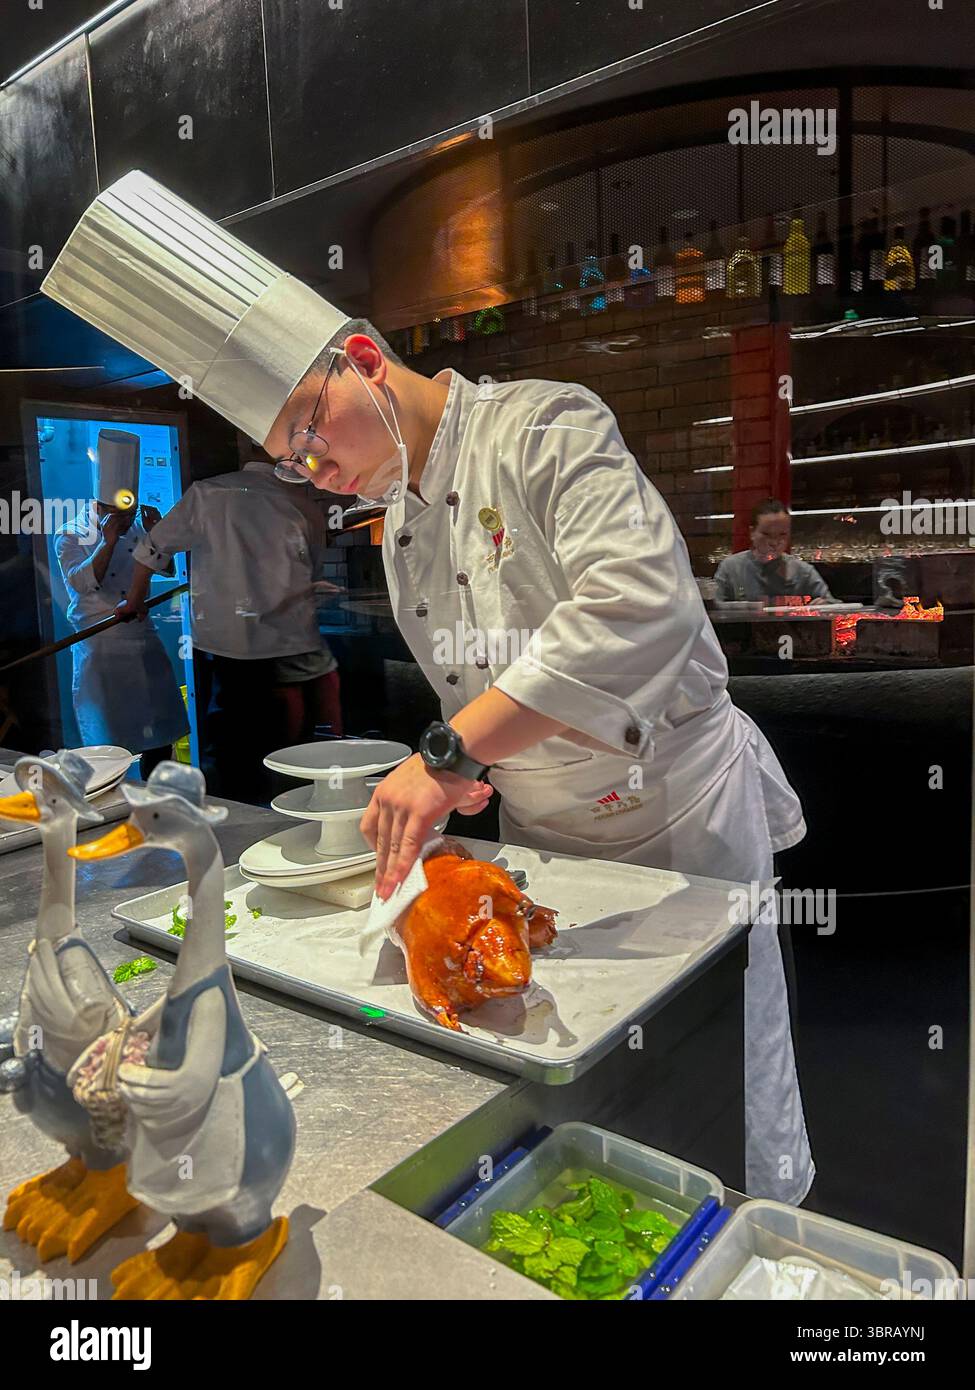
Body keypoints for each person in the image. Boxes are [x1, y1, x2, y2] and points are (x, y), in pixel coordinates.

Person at [42, 169, 812, 1205]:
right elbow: (480, 685)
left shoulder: (548, 426)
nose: (316, 473)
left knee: (707, 1070)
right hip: (544, 845)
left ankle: (750, 1236)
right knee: (578, 1084)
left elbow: (641, 609)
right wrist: (470, 768)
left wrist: (452, 754)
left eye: (312, 438)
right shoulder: (398, 524)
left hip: (681, 822)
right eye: (292, 464)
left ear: (362, 359)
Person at [115, 458, 339, 803]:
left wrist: (134, 601)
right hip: (292, 647)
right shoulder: (304, 506)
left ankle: (235, 822)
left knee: (231, 757)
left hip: (226, 647)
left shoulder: (209, 493)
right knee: (291, 757)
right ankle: (290, 814)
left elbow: (151, 549)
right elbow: (313, 570)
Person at [53, 429, 187, 778]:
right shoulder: (70, 532)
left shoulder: (138, 527)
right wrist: (107, 542)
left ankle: (164, 801)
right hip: (100, 646)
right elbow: (82, 583)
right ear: (100, 506)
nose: (126, 523)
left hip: (143, 637)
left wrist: (159, 533)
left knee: (160, 733)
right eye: (118, 517)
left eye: (129, 515)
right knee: (110, 743)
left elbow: (167, 567)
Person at [714, 500, 836, 602]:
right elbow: (712, 612)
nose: (774, 542)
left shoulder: (802, 571)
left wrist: (824, 606)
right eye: (766, 534)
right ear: (752, 533)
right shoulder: (731, 568)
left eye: (782, 534)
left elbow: (835, 608)